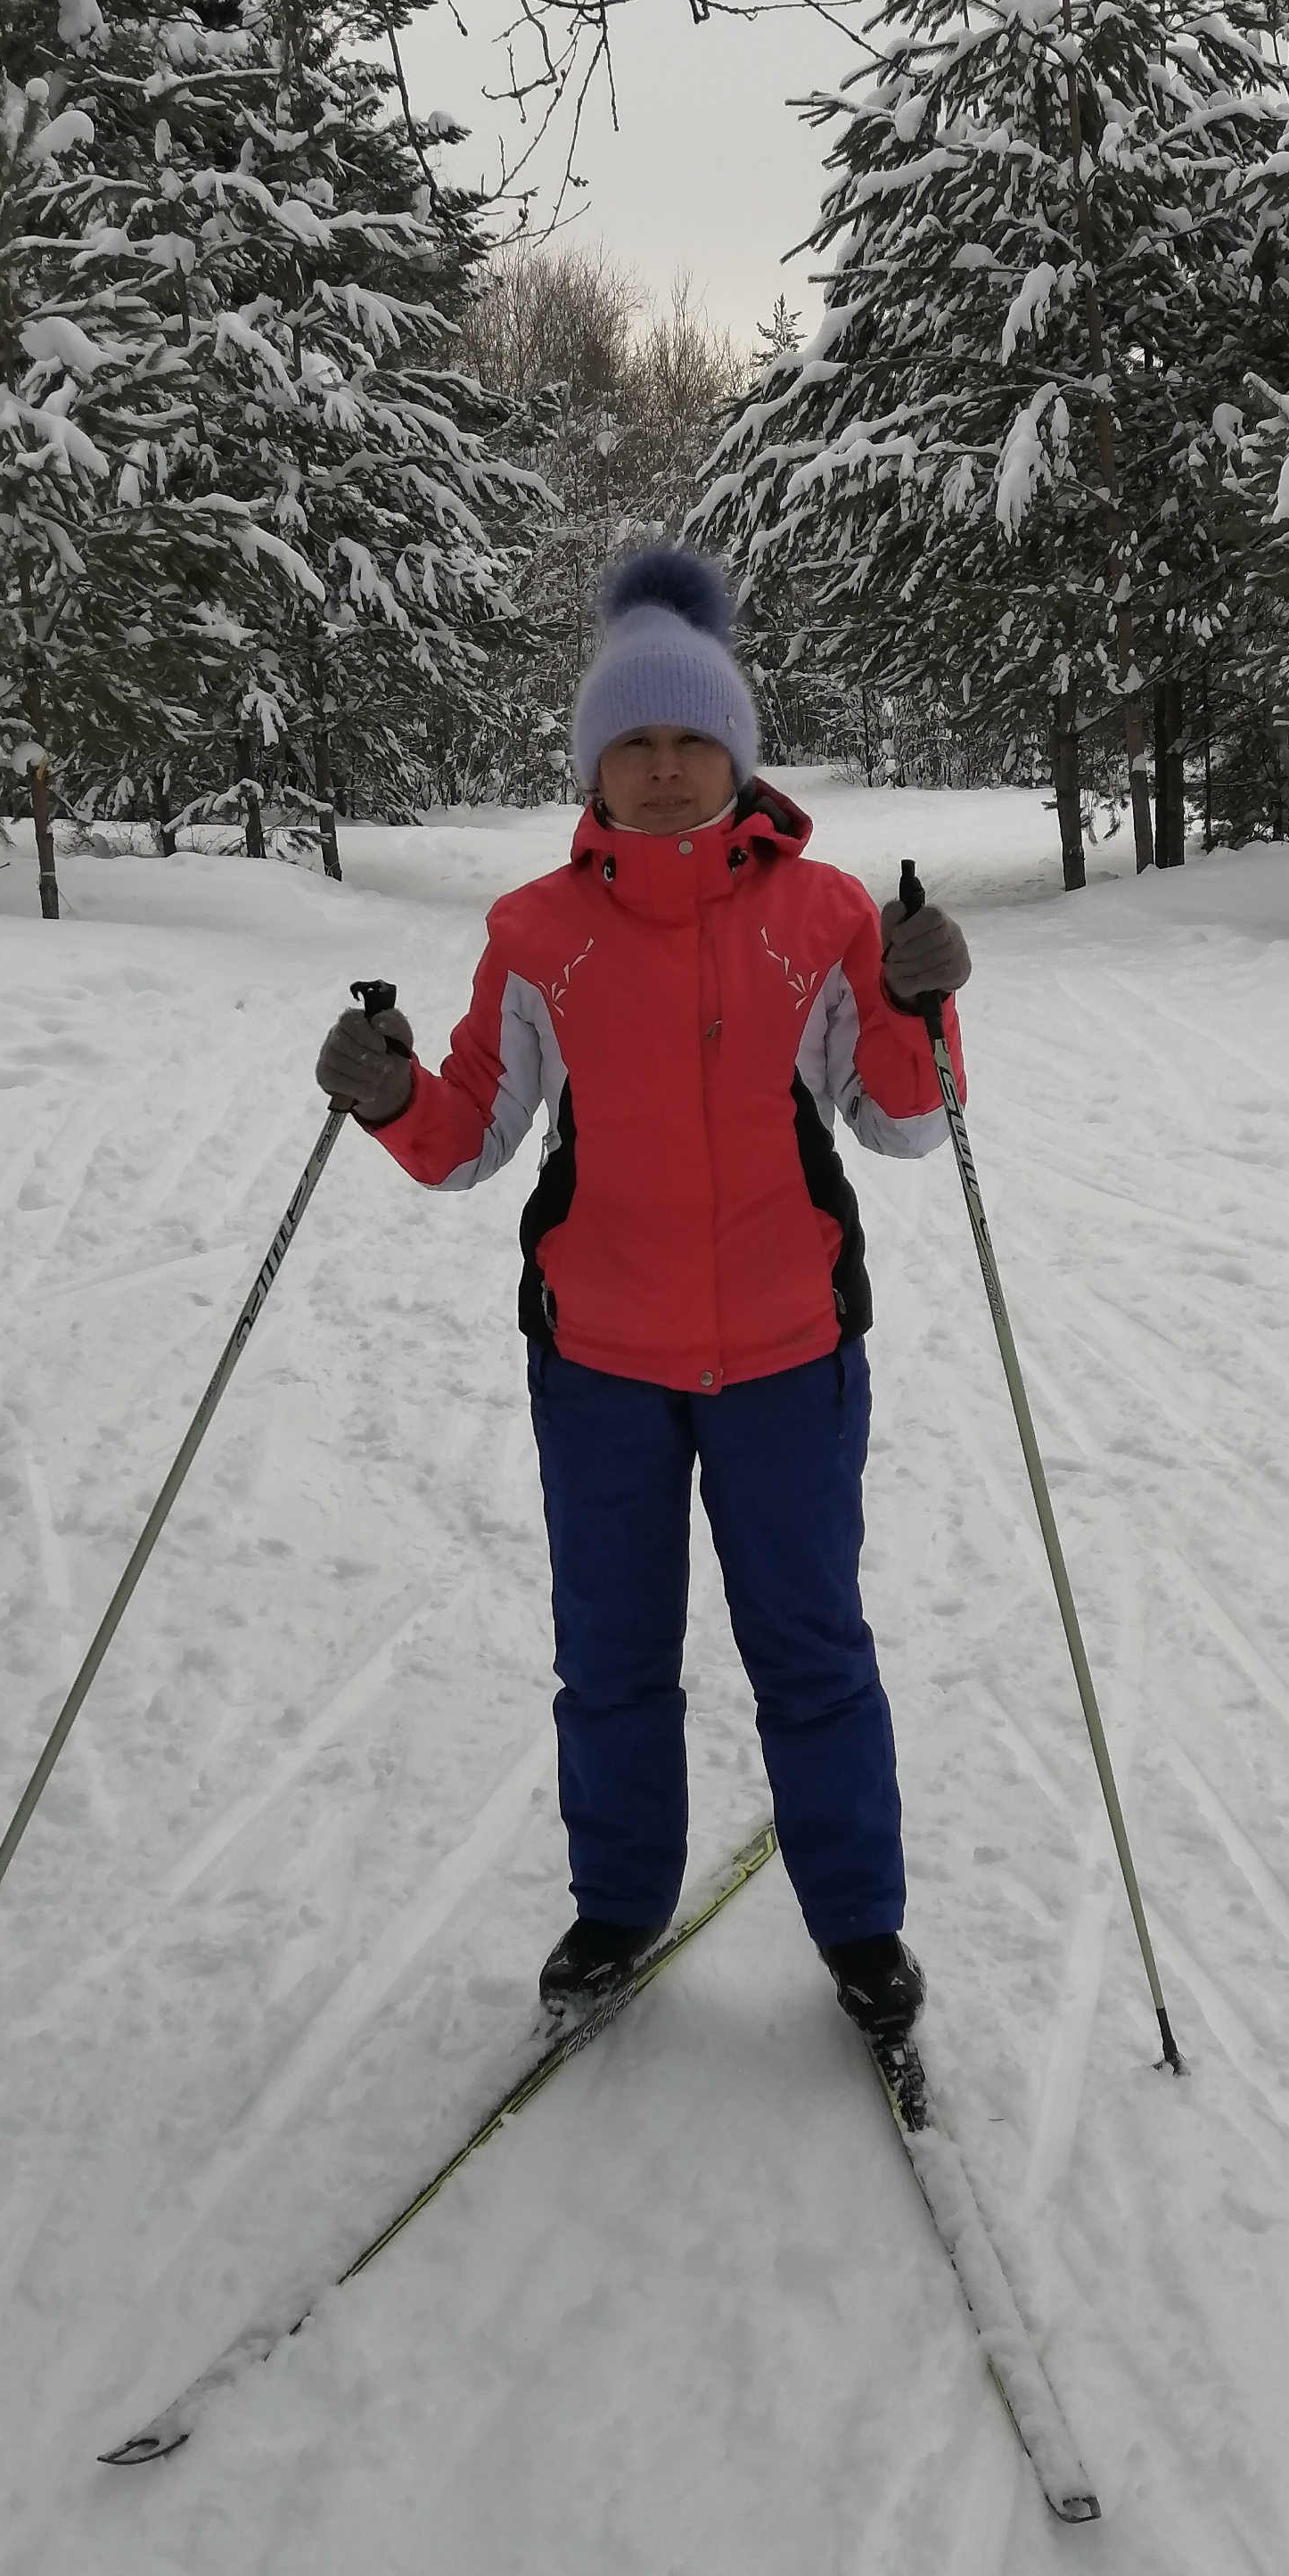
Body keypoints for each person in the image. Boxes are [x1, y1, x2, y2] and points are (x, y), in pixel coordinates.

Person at [313, 546, 972, 2051]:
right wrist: (391, 1093)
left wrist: (919, 1004)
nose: (665, 769)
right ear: (593, 765)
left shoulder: (824, 915)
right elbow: (471, 1136)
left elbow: (901, 1121)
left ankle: (860, 1925)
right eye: (635, 742)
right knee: (610, 1657)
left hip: (791, 1354)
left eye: (691, 740)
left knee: (812, 1651)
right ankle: (618, 1905)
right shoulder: (538, 934)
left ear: (736, 755)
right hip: (600, 1360)